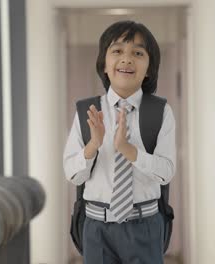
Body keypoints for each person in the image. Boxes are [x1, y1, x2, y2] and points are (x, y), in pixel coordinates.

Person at [63, 20, 176, 264]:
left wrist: (129, 151)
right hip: (97, 228)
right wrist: (93, 146)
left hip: (145, 226)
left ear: (149, 69)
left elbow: (166, 173)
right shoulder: (87, 111)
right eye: (117, 51)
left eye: (137, 52)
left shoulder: (160, 111)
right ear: (104, 64)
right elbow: (73, 175)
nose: (126, 59)